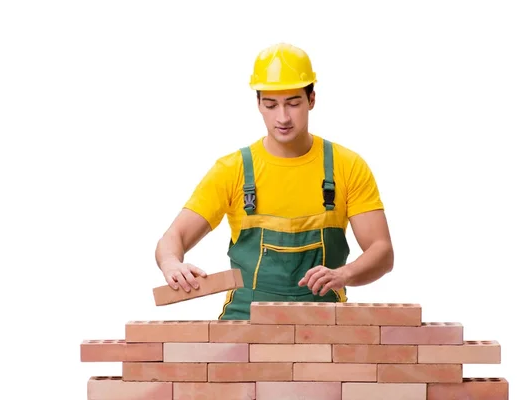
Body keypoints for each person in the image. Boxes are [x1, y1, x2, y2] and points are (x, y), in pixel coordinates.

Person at [154, 43, 394, 320]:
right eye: (271, 105)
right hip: (245, 326)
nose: (283, 117)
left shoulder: (347, 166)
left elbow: (382, 251)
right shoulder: (233, 170)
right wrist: (171, 263)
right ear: (258, 104)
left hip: (326, 327)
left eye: (293, 103)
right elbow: (174, 237)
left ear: (312, 99)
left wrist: (344, 274)